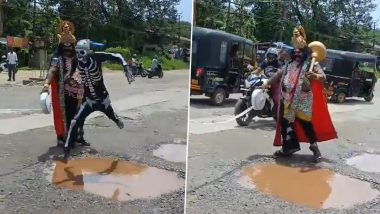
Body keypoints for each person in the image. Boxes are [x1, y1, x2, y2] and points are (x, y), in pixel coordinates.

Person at [263, 26, 337, 162]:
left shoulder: (311, 63)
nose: (297, 54)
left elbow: (323, 76)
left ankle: (314, 148)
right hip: (287, 99)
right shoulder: (289, 64)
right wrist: (267, 82)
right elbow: (279, 73)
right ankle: (288, 148)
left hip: (303, 99)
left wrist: (315, 75)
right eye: (295, 52)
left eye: (300, 52)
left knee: (306, 125)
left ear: (305, 52)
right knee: (285, 124)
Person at [63, 39, 134, 156]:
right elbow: (69, 73)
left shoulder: (96, 57)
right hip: (88, 101)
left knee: (112, 116)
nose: (79, 56)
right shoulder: (76, 60)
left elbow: (117, 55)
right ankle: (67, 148)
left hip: (103, 99)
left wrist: (125, 66)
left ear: (88, 51)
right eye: (77, 52)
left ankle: (116, 119)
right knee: (75, 121)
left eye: (82, 52)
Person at [41, 21, 87, 147]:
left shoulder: (79, 58)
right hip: (63, 93)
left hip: (78, 92)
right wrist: (46, 85)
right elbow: (52, 71)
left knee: (79, 114)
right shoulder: (57, 59)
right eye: (65, 47)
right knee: (63, 116)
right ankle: (62, 137)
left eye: (70, 46)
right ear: (61, 47)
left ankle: (78, 136)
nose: (68, 49)